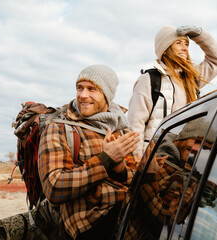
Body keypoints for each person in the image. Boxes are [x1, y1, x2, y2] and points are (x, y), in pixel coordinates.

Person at [38, 64, 140, 240]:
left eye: (91, 89)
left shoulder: (121, 129)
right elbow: (54, 187)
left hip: (128, 216)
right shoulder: (59, 128)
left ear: (107, 94)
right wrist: (105, 160)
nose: (83, 95)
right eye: (80, 88)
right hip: (87, 227)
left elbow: (135, 176)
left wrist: (120, 170)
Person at [128, 25, 217, 156]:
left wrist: (200, 36)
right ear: (165, 48)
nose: (185, 48)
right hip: (152, 156)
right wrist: (137, 160)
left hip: (179, 157)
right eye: (178, 43)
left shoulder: (191, 78)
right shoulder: (150, 78)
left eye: (186, 43)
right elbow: (136, 124)